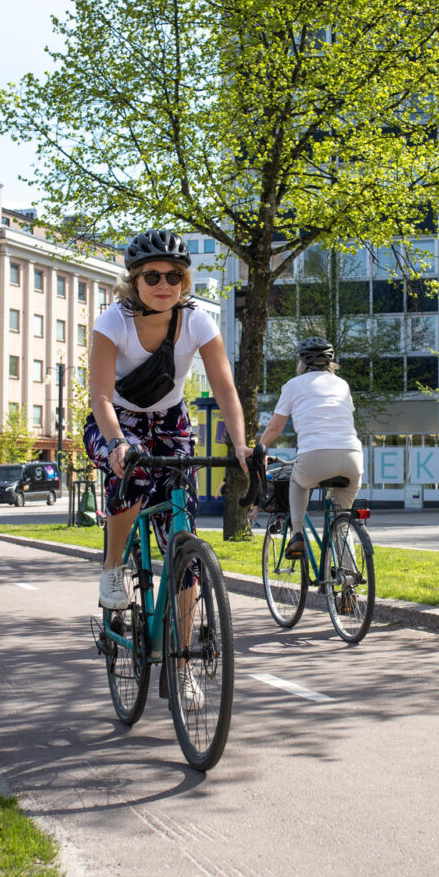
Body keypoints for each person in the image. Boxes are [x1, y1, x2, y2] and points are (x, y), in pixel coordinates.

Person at [85, 230, 251, 610]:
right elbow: (101, 397)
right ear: (134, 280)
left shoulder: (196, 321)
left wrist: (240, 444)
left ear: (184, 281)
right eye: (152, 276)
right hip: (115, 420)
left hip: (171, 421)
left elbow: (225, 390)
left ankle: (185, 662)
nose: (164, 285)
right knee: (134, 468)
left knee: (182, 533)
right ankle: (113, 566)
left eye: (173, 276)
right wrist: (117, 442)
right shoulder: (113, 321)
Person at [257, 336, 362, 558]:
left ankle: (297, 534)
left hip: (315, 455)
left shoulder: (293, 385)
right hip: (353, 455)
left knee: (298, 481)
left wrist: (260, 450)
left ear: (302, 362)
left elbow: (275, 427)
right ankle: (348, 583)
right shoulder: (342, 384)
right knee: (340, 521)